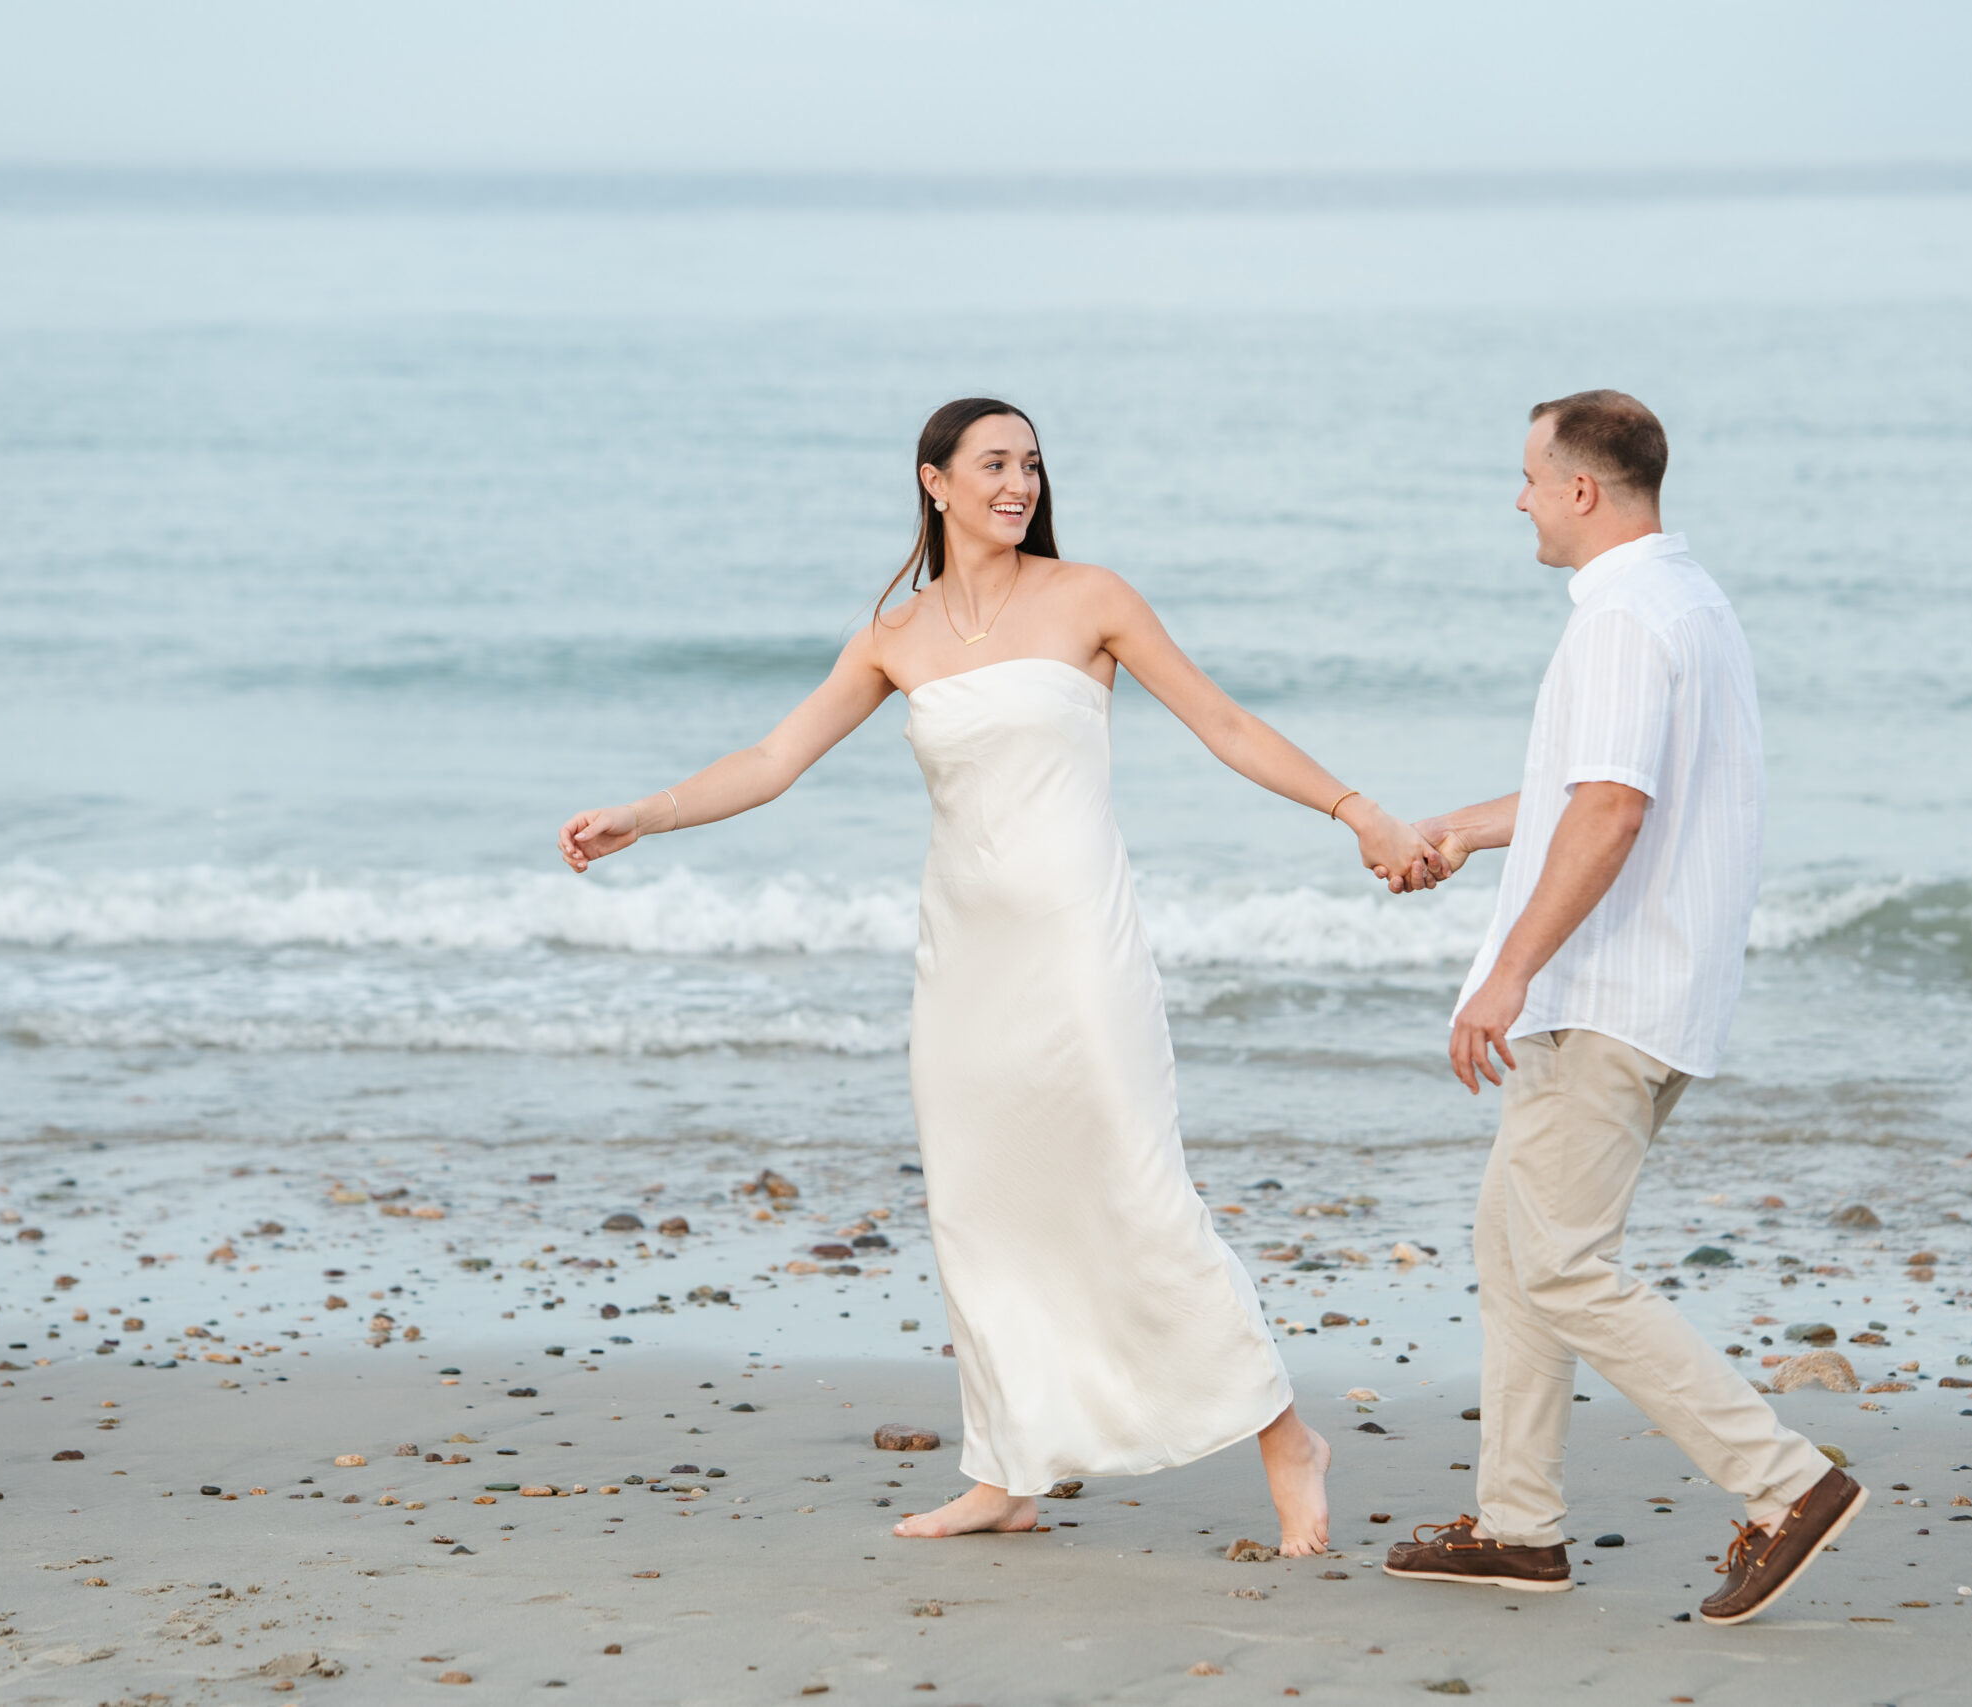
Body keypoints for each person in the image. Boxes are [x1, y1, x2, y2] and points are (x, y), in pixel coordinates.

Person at [555, 397, 1444, 1555]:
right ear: (934, 482)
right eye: (991, 464)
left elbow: (1222, 723)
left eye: (1028, 463)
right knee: (979, 1207)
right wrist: (644, 814)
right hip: (965, 957)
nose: (1016, 482)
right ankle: (1006, 1469)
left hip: (1079, 948)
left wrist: (1355, 809)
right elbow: (775, 758)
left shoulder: (1092, 599)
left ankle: (1287, 1441)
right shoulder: (896, 635)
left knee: (1136, 1187)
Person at [1378, 391, 1863, 1625]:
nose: (1521, 500)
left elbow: (1609, 811)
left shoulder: (1620, 621)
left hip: (1606, 993)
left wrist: (1508, 972)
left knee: (1557, 1260)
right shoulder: (1683, 600)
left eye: (1530, 478)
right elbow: (1579, 792)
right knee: (1515, 1244)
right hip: (1656, 985)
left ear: (1582, 490)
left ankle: (1783, 1482)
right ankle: (1517, 1527)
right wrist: (1457, 834)